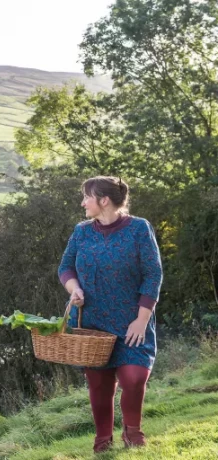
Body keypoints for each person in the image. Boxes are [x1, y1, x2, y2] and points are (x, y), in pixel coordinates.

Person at [58, 176, 162, 453]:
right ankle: (103, 441)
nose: (83, 203)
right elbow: (65, 267)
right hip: (92, 324)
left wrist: (141, 320)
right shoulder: (81, 232)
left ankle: (133, 432)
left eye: (87, 197)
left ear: (103, 200)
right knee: (99, 386)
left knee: (134, 378)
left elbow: (153, 274)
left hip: (132, 321)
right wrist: (74, 288)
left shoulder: (139, 228)